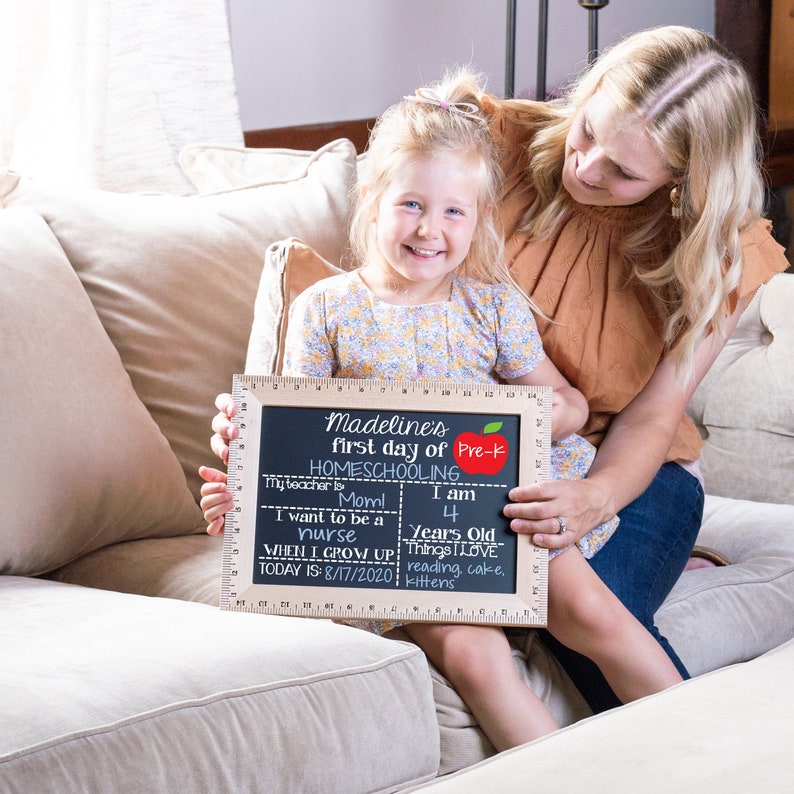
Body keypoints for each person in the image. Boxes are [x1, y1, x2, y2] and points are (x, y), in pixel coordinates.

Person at [202, 25, 788, 718]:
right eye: (588, 132)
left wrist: (593, 499)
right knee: (486, 616)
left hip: (623, 470)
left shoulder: (720, 252)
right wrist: (264, 445)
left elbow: (653, 416)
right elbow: (372, 304)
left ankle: (710, 760)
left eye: (625, 171)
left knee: (581, 621)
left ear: (680, 180)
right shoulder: (483, 145)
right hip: (460, 470)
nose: (587, 167)